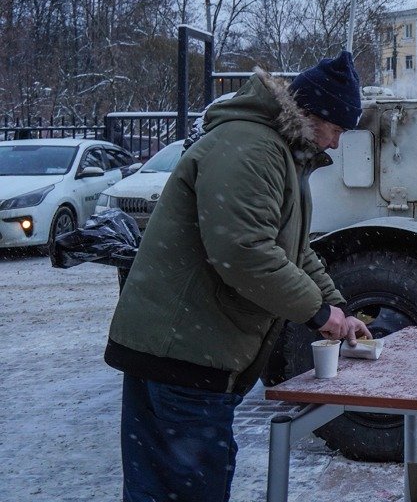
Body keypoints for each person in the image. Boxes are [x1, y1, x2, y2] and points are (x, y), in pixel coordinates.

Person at [105, 51, 372, 502]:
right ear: (313, 114)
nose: (338, 143)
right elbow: (243, 253)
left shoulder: (276, 151)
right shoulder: (252, 149)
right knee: (186, 489)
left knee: (167, 488)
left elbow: (291, 249)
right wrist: (317, 313)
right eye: (338, 129)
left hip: (186, 352)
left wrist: (337, 309)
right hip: (185, 356)